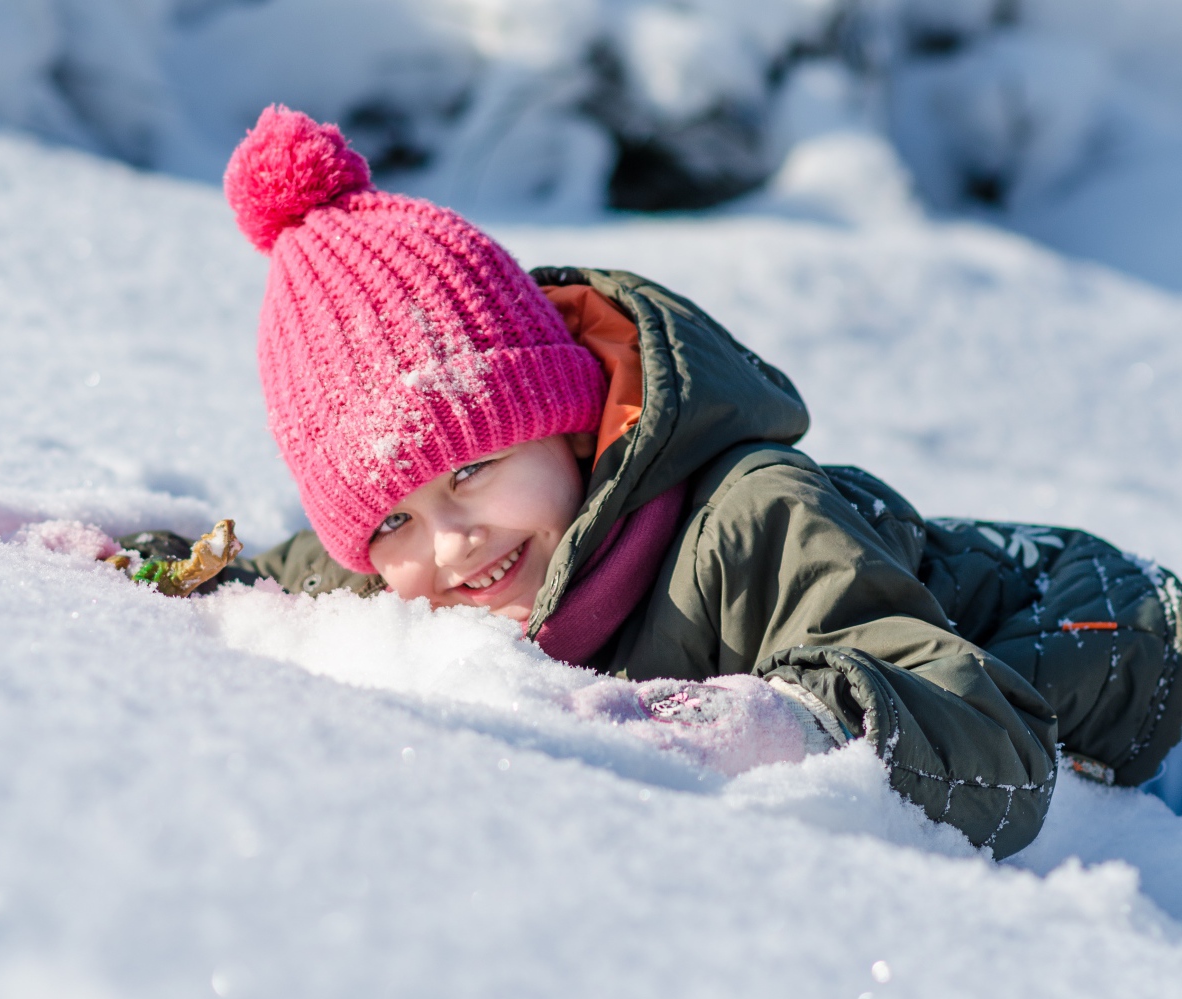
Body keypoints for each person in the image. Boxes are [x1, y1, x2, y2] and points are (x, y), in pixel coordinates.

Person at [120, 105, 1182, 859]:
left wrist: (792, 726)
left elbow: (989, 740)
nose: (448, 543)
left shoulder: (752, 519)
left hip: (1121, 659)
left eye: (477, 468)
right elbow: (302, 572)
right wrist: (172, 569)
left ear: (571, 428)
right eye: (391, 516)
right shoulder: (424, 571)